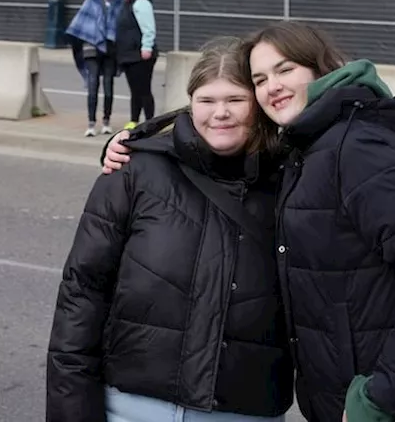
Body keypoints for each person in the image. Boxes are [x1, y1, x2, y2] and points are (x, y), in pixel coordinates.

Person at [102, 22, 395, 422]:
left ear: (320, 68)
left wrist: (379, 398)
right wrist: (134, 139)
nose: (272, 87)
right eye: (260, 79)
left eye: (285, 71)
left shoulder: (357, 147)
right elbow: (214, 118)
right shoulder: (306, 148)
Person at [48, 37, 293, 422]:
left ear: (259, 105)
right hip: (131, 409)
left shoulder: (292, 183)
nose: (220, 113)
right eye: (207, 101)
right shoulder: (135, 172)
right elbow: (82, 294)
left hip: (244, 412)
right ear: (190, 104)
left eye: (235, 100)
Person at [66, 0, 124, 137]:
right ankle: (91, 123)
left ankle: (106, 121)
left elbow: (122, 25)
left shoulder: (120, 3)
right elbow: (80, 23)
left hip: (111, 50)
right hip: (91, 48)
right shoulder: (91, 0)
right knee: (92, 86)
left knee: (108, 86)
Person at [115, 0, 158, 127]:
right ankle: (134, 120)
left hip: (140, 55)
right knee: (135, 90)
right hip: (128, 55)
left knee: (144, 89)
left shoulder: (140, 3)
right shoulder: (126, 4)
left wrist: (146, 47)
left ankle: (150, 122)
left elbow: (149, 28)